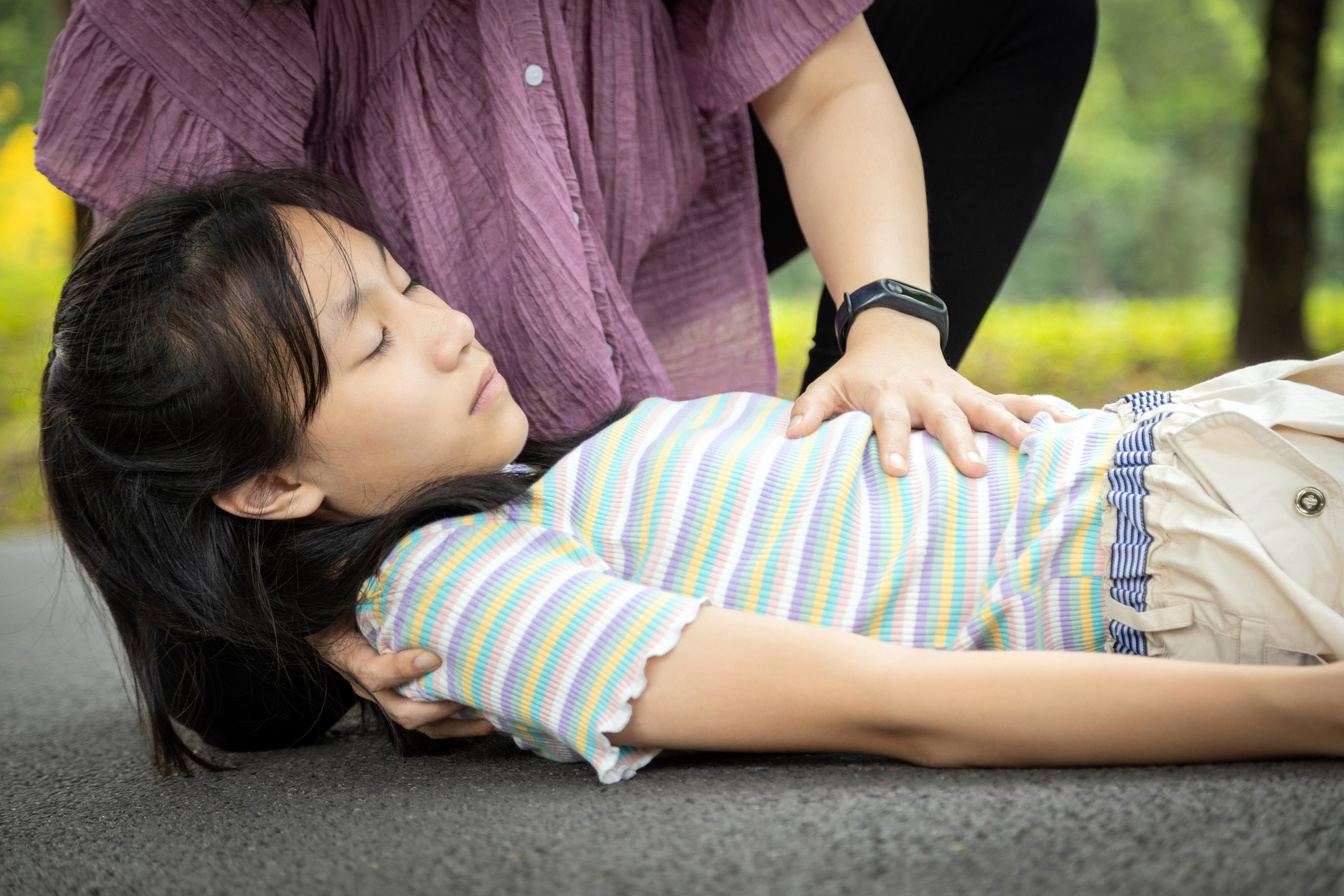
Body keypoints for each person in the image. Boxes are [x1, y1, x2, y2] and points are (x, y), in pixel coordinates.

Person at [41, 171, 1344, 781]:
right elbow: (907, 706)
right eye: (373, 337)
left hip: (1197, 446)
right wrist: (1313, 720)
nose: (446, 326)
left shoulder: (527, 489)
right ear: (266, 487)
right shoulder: (453, 604)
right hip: (1198, 547)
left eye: (409, 279)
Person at [36, 0, 1099, 746]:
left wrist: (891, 330)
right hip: (350, 415)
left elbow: (828, 90)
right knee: (234, 692)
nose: (442, 322)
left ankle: (828, 474)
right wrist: (329, 620)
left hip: (618, 190)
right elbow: (157, 361)